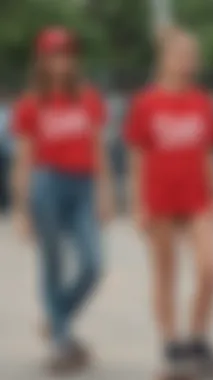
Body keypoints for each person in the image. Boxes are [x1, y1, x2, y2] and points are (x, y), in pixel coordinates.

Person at [11, 27, 113, 375]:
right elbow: (23, 161)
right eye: (54, 54)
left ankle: (57, 321)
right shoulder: (30, 104)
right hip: (47, 185)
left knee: (93, 264)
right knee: (52, 265)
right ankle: (61, 341)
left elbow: (99, 150)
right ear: (41, 59)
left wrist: (105, 193)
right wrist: (22, 210)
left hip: (83, 186)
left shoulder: (89, 98)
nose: (62, 61)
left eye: (67, 54)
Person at [124, 27, 213, 378]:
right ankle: (172, 344)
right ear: (164, 58)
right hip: (161, 198)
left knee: (210, 270)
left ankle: (197, 335)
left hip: (197, 198)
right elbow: (137, 157)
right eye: (179, 54)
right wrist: (137, 205)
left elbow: (210, 154)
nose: (186, 62)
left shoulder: (202, 102)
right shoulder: (146, 102)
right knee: (166, 274)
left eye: (191, 56)